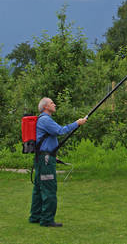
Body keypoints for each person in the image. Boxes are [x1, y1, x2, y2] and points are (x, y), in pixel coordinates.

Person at [29, 97, 87, 227]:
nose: (54, 104)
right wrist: (77, 123)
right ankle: (47, 220)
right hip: (45, 160)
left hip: (43, 158)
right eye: (51, 103)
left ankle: (35, 216)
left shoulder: (43, 120)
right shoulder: (45, 120)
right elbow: (60, 131)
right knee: (49, 188)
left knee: (38, 188)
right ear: (45, 107)